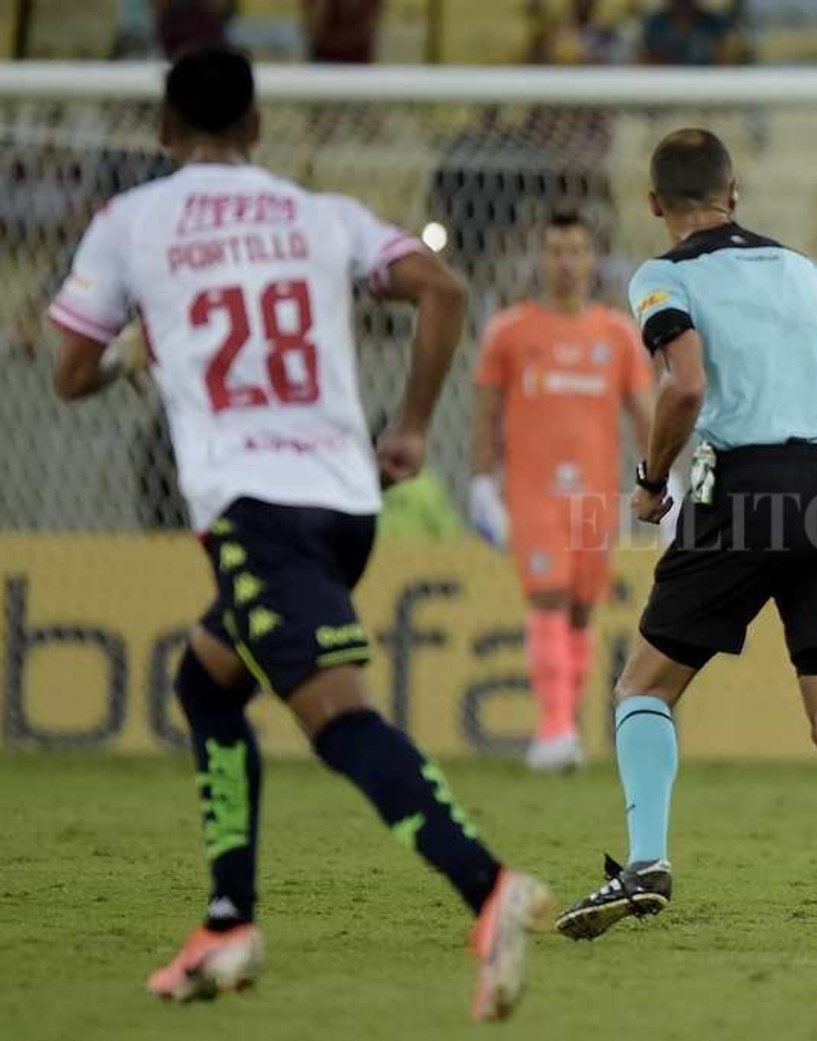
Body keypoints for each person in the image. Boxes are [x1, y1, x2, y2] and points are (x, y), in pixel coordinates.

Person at [47, 46, 549, 1020]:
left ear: (162, 129)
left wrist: (130, 350)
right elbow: (442, 291)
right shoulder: (320, 213)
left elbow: (67, 373)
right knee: (205, 680)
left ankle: (488, 887)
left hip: (254, 509)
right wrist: (407, 425)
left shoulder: (133, 222)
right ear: (259, 129)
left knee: (337, 720)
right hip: (344, 501)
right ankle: (229, 917)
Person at [552, 129, 817, 948]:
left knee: (643, 687)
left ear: (652, 204)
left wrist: (649, 479)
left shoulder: (663, 275)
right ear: (734, 192)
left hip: (741, 490)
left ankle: (645, 862)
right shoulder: (802, 270)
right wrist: (814, 454)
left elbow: (684, 386)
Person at [470, 212, 654, 773]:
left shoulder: (618, 333)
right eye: (555, 250)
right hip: (533, 494)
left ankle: (564, 726)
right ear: (540, 258)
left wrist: (660, 485)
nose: (567, 262)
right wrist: (482, 484)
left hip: (597, 497)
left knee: (579, 610)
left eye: (577, 250)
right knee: (547, 597)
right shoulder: (508, 330)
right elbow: (485, 414)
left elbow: (646, 415)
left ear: (593, 259)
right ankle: (553, 729)